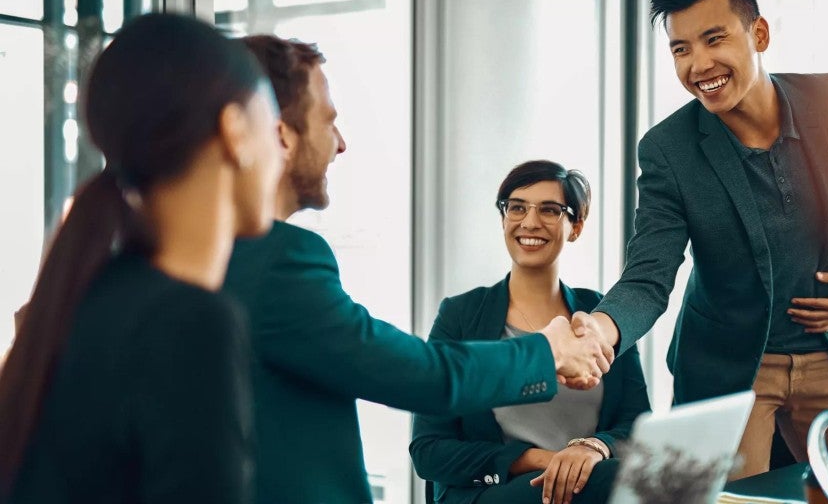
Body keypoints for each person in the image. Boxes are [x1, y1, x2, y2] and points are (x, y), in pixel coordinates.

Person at [222, 36, 613, 504]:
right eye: (329, 122)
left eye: (550, 211)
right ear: (282, 135)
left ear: (576, 226)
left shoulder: (212, 257)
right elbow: (423, 378)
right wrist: (546, 353)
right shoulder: (278, 258)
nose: (341, 144)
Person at [577, 0, 828, 478]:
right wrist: (604, 327)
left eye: (714, 39)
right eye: (681, 49)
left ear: (759, 33)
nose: (698, 65)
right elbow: (649, 274)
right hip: (732, 370)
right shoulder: (668, 150)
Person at [0, 13, 283, 503]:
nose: (281, 155)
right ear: (234, 131)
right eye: (274, 128)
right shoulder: (191, 322)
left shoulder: (90, 298)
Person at [411, 160, 651, 504]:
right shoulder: (461, 314)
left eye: (551, 210)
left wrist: (593, 448)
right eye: (516, 208)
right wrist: (545, 461)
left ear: (576, 226)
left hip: (590, 485)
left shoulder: (600, 316)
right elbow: (429, 449)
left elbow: (638, 426)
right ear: (504, 218)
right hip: (494, 493)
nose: (530, 222)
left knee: (635, 477)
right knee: (628, 482)